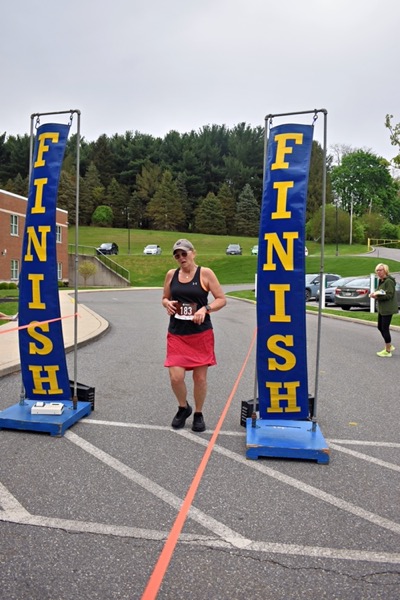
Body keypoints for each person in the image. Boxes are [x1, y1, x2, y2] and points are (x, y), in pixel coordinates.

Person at [162, 239, 226, 432]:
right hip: (177, 333)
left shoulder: (205, 273)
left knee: (200, 379)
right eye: (177, 255)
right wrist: (167, 304)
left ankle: (198, 413)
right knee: (176, 377)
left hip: (200, 334)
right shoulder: (171, 275)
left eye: (184, 253)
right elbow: (164, 298)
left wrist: (205, 309)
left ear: (193, 253)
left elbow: (221, 299)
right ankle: (183, 407)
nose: (181, 258)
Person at [369, 263, 398, 357]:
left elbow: (389, 295)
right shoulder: (381, 281)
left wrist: (377, 297)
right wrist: (375, 294)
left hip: (388, 308)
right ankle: (389, 345)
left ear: (385, 271)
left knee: (385, 328)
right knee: (380, 327)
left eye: (380, 270)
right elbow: (381, 291)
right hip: (382, 308)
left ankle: (387, 351)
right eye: (377, 270)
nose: (378, 272)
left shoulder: (389, 281)